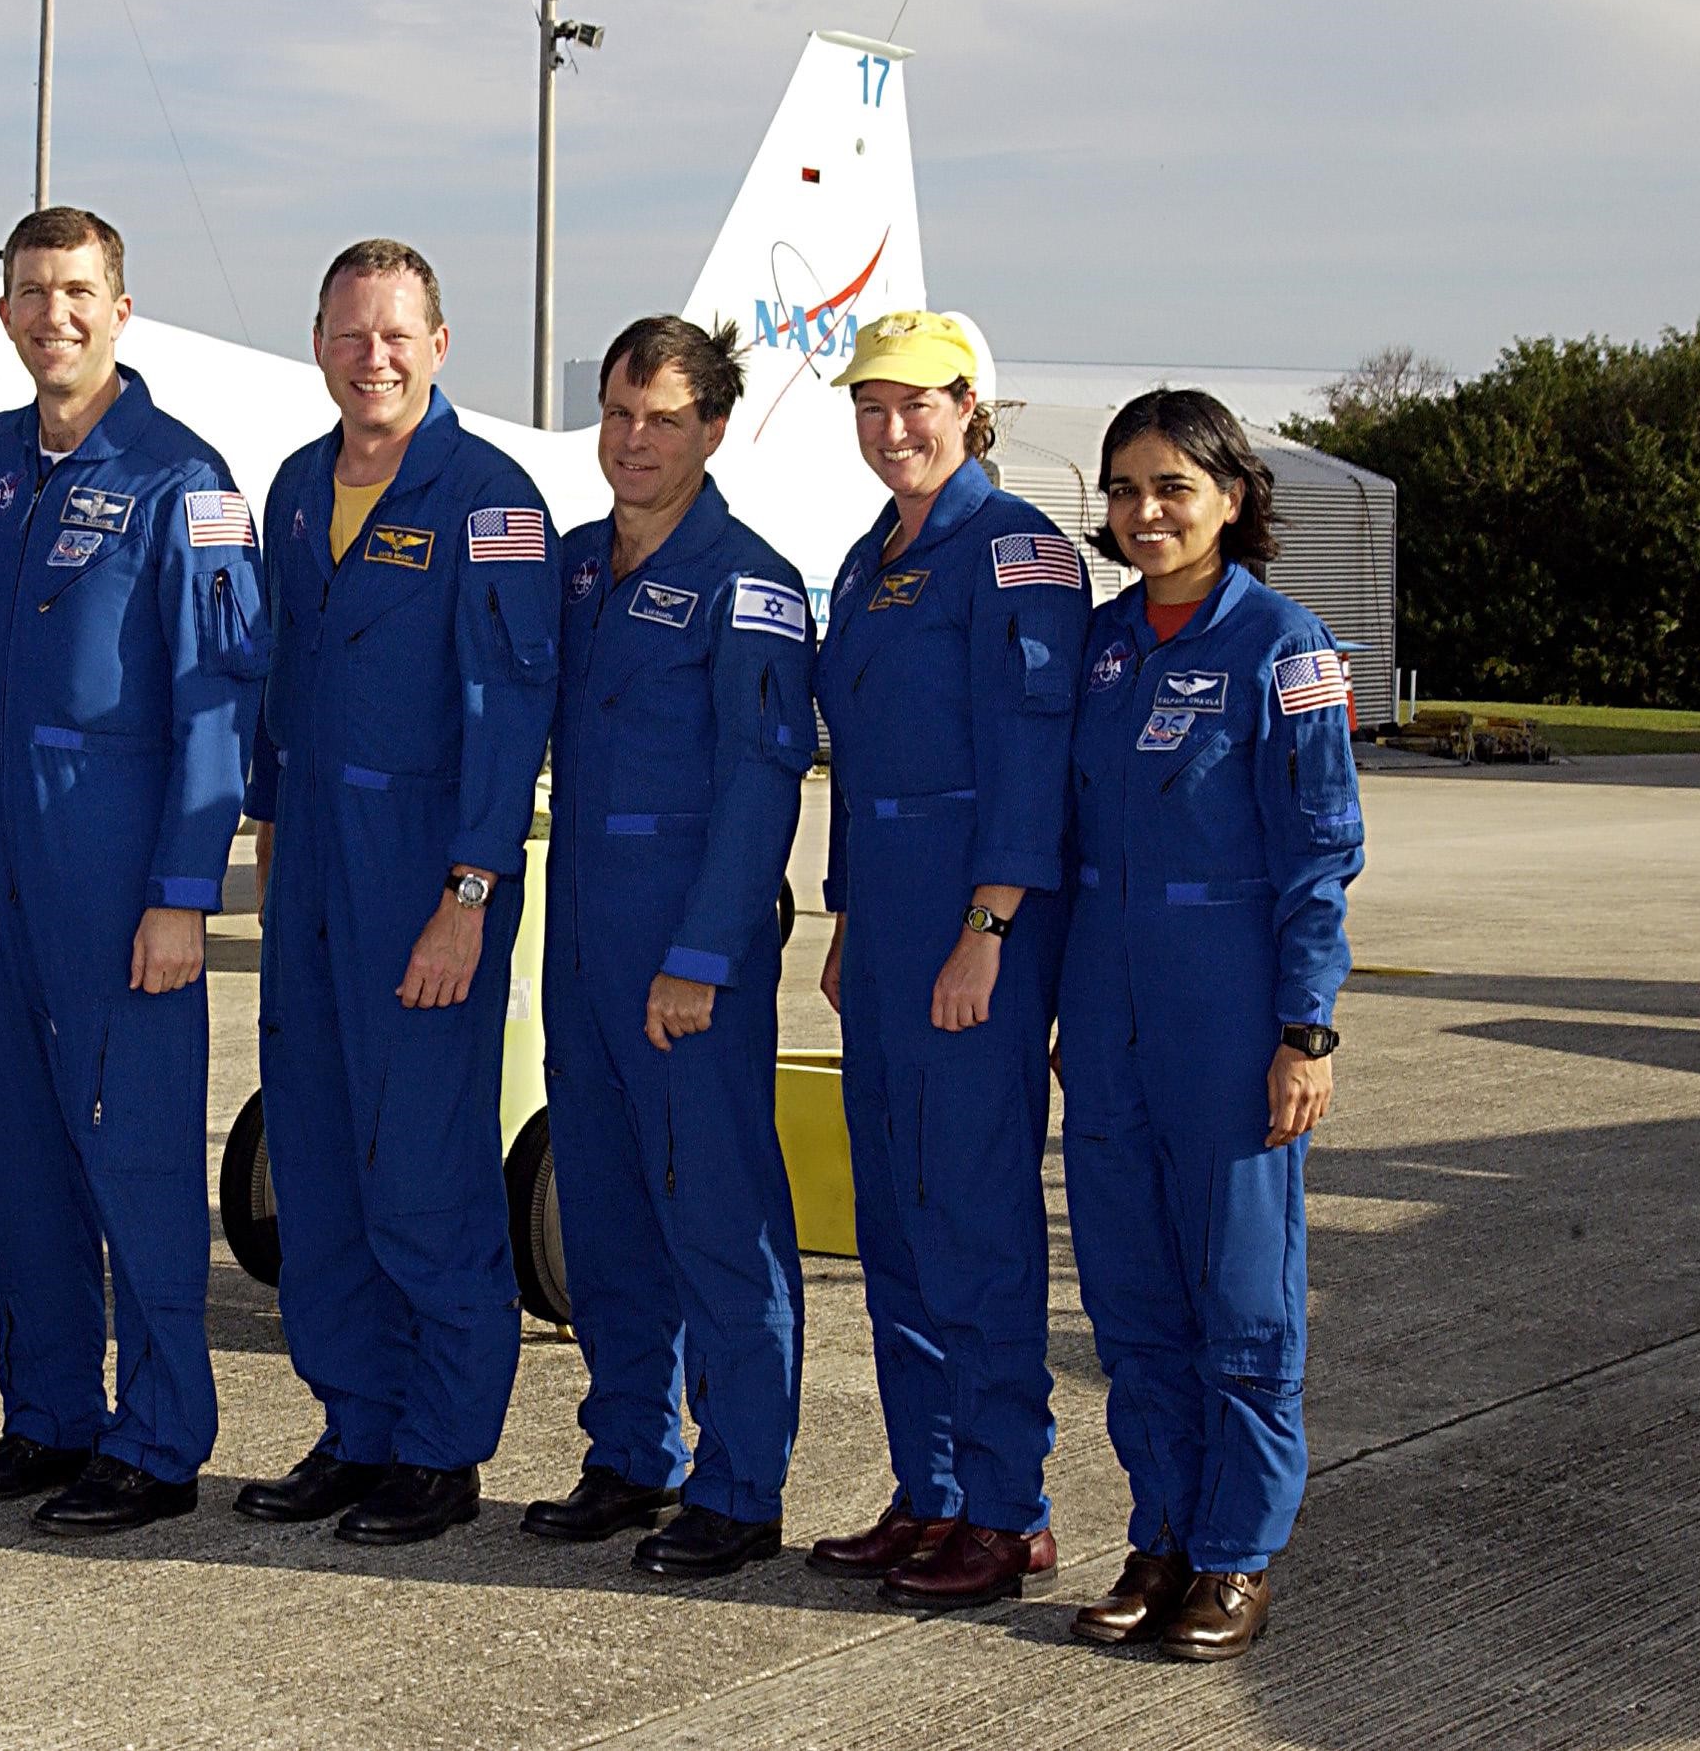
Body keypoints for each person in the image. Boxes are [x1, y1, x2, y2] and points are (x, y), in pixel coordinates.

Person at [0, 206, 264, 1534]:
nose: (51, 313)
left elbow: (219, 702)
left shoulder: (186, 480)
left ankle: (161, 1434)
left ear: (121, 310)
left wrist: (184, 890)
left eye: (77, 291)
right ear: (5, 312)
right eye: (29, 292)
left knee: (133, 1161)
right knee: (19, 1159)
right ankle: (48, 1413)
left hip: (121, 873)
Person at [236, 240, 561, 1546]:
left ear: (437, 344)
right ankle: (355, 1421)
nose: (371, 356)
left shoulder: (491, 497)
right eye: (347, 333)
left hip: (428, 862)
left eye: (395, 335)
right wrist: (265, 822)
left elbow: (510, 708)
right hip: (312, 856)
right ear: (320, 342)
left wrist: (469, 888)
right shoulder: (297, 487)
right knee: (315, 1157)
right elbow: (275, 676)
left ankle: (440, 1444)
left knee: (422, 1165)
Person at [1058, 389, 1360, 1660]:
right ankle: (1164, 1532)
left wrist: (1307, 1029)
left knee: (1242, 1297)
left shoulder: (1285, 648)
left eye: (1173, 487)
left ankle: (1237, 1552)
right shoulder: (1103, 647)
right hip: (1110, 1012)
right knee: (1131, 1299)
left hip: (1230, 1015)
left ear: (1234, 496)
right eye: (1125, 489)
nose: (1145, 513)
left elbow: (1319, 855)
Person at [520, 317, 816, 1580]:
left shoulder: (751, 581)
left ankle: (740, 1481)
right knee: (605, 1209)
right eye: (618, 412)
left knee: (717, 1214)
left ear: (712, 429)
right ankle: (631, 1451)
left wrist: (702, 955)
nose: (635, 440)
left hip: (684, 947)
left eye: (663, 418)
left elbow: (764, 785)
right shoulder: (580, 569)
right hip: (582, 936)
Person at [805, 311, 1088, 1608]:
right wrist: (854, 913)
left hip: (977, 927)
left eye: (915, 403)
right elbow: (863, 770)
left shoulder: (1014, 548)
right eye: (871, 404)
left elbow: (1030, 762)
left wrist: (987, 928)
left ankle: (1006, 1505)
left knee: (973, 1218)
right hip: (889, 929)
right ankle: (928, 1489)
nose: (892, 427)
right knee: (898, 1220)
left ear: (972, 404)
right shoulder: (874, 554)